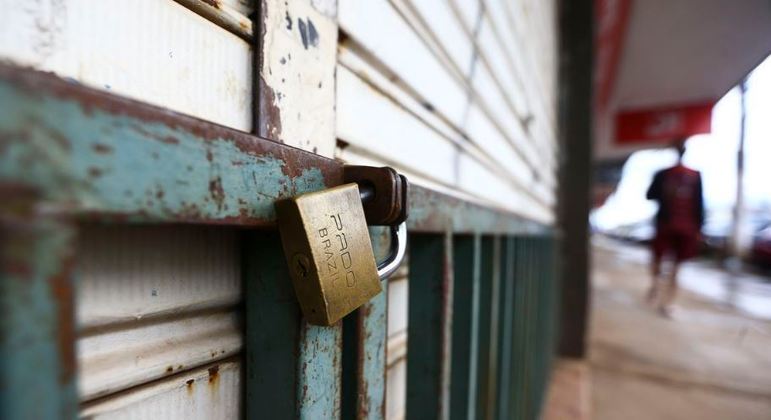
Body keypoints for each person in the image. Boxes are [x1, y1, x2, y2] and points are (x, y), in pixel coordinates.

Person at [645, 140, 704, 317]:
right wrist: (699, 228)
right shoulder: (695, 175)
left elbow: (649, 195)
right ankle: (668, 302)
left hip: (666, 224)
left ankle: (656, 286)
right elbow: (700, 205)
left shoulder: (664, 174)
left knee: (658, 258)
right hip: (687, 226)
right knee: (677, 267)